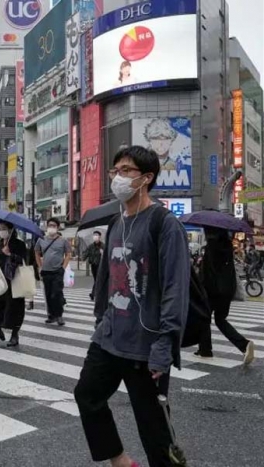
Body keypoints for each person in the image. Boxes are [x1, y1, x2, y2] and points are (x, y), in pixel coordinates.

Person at [74, 146, 191, 467]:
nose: (118, 177)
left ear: (146, 178)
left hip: (146, 345)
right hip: (110, 337)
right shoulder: (115, 223)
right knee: (87, 395)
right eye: (115, 171)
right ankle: (121, 460)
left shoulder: (164, 224)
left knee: (154, 434)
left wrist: (165, 345)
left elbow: (175, 288)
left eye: (126, 170)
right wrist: (101, 319)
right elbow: (105, 279)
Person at [196, 227, 255, 364]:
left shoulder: (211, 248)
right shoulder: (227, 247)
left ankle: (205, 350)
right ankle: (244, 344)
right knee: (220, 319)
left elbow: (207, 274)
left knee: (204, 318)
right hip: (227, 290)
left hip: (212, 291)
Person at [0, 221, 27, 347]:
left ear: (10, 230)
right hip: (0, 280)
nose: (1, 231)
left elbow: (25, 261)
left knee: (15, 307)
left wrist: (10, 254)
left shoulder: (19, 244)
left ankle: (15, 335)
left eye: (3, 228)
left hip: (15, 280)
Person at [35, 218, 71, 326]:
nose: (51, 227)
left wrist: (63, 268)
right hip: (46, 271)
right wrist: (40, 266)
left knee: (56, 293)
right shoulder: (41, 239)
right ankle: (51, 315)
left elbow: (68, 254)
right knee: (48, 294)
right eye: (50, 225)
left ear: (58, 227)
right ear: (46, 226)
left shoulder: (63, 240)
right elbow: (36, 252)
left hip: (57, 271)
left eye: (54, 225)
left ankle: (59, 315)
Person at [82, 231, 104, 301]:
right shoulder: (91, 246)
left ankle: (93, 294)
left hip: (101, 265)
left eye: (97, 235)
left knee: (97, 279)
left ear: (100, 237)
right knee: (96, 280)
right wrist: (83, 257)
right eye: (94, 235)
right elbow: (85, 253)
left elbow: (107, 255)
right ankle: (96, 293)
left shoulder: (103, 246)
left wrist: (103, 253)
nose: (95, 236)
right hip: (93, 266)